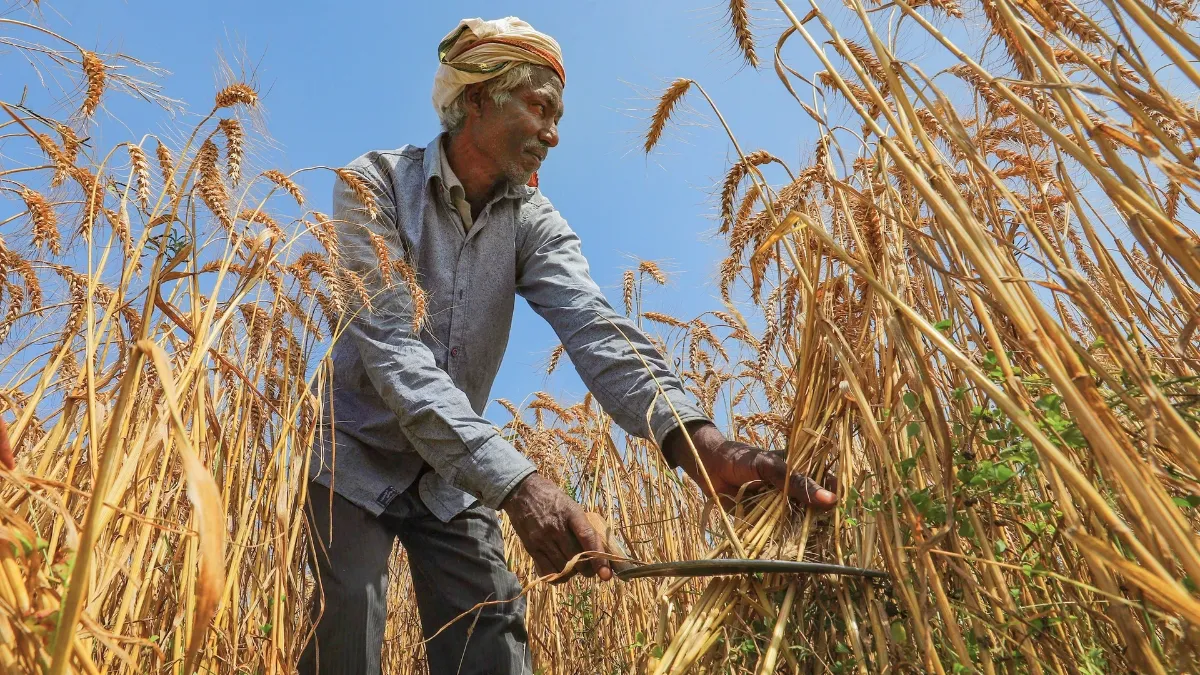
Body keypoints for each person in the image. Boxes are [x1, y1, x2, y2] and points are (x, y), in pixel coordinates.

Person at [298, 16, 836, 675]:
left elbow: (596, 328)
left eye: (557, 114)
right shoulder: (373, 186)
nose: (554, 133)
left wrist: (700, 442)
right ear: (476, 99)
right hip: (354, 457)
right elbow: (393, 354)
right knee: (346, 631)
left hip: (452, 474)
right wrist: (521, 485)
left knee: (492, 637)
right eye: (539, 108)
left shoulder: (533, 221)